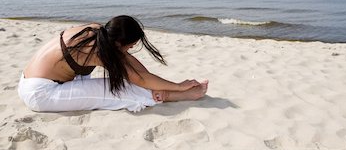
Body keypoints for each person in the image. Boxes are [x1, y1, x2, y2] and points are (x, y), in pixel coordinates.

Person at [18, 15, 208, 112]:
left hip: (30, 81)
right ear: (120, 43)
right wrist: (177, 87)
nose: (131, 49)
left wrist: (154, 81)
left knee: (128, 82)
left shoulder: (95, 30)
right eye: (131, 45)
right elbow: (140, 78)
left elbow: (131, 63)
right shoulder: (98, 50)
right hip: (41, 94)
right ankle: (171, 96)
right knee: (122, 91)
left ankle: (163, 92)